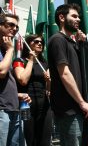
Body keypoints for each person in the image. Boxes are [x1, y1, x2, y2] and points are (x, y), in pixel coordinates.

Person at [48, 4, 88, 146]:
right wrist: (81, 102)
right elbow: (65, 74)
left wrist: (81, 44)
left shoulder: (72, 43)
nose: (78, 19)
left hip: (80, 109)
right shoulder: (57, 40)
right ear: (61, 17)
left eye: (78, 16)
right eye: (74, 16)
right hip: (69, 110)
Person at [13, 34, 52, 146]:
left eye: (41, 42)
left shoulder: (45, 63)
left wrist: (49, 81)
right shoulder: (19, 60)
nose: (40, 43)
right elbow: (23, 80)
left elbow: (49, 90)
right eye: (36, 41)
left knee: (45, 140)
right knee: (29, 140)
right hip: (26, 105)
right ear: (28, 44)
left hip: (44, 106)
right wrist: (31, 60)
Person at [0, 13, 31, 146]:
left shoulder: (5, 50)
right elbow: (1, 72)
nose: (14, 29)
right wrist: (11, 49)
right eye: (10, 25)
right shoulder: (8, 50)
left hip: (13, 108)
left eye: (16, 27)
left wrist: (18, 95)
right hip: (2, 111)